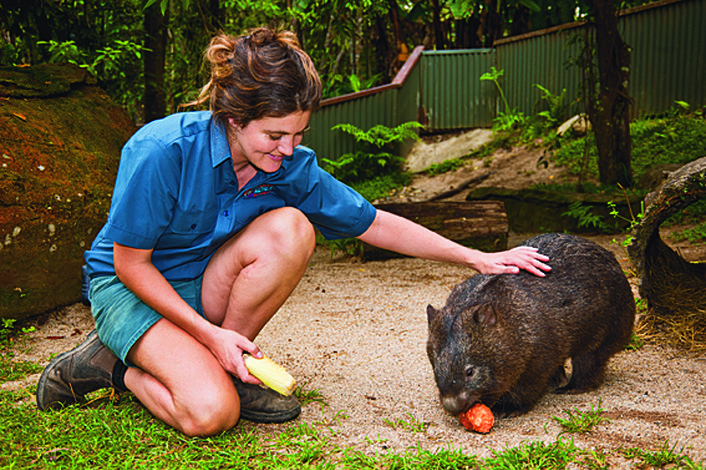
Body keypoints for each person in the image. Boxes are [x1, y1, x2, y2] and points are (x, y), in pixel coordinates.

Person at [36, 27, 550, 437]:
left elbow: (372, 222)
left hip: (200, 281)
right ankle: (111, 367)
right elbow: (130, 263)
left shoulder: (288, 164)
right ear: (234, 118)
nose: (288, 149)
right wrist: (209, 334)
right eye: (275, 135)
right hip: (131, 287)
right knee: (209, 415)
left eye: (299, 134)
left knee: (292, 229)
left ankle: (229, 363)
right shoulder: (161, 151)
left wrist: (475, 257)